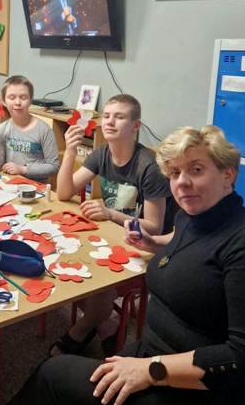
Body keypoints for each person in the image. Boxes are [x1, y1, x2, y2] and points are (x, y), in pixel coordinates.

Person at [0, 125, 245, 405]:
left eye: (196, 170)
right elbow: (182, 238)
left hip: (201, 397)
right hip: (153, 353)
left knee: (53, 374)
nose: (182, 182)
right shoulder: (195, 213)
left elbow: (238, 357)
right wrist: (153, 243)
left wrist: (151, 370)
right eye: (175, 173)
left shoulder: (238, 242)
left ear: (228, 174)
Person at [52, 94, 172, 356]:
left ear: (135, 126)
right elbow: (63, 193)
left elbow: (154, 227)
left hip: (146, 247)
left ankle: (79, 331)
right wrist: (70, 152)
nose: (109, 122)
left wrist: (110, 214)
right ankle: (108, 324)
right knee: (68, 261)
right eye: (106, 116)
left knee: (98, 284)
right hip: (112, 236)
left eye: (119, 117)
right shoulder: (102, 154)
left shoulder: (148, 167)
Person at [0, 75, 59, 183]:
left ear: (30, 100)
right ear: (4, 101)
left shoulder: (44, 130)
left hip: (36, 187)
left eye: (23, 97)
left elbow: (54, 166)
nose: (18, 103)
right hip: (9, 184)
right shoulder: (3, 128)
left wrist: (23, 169)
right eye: (12, 97)